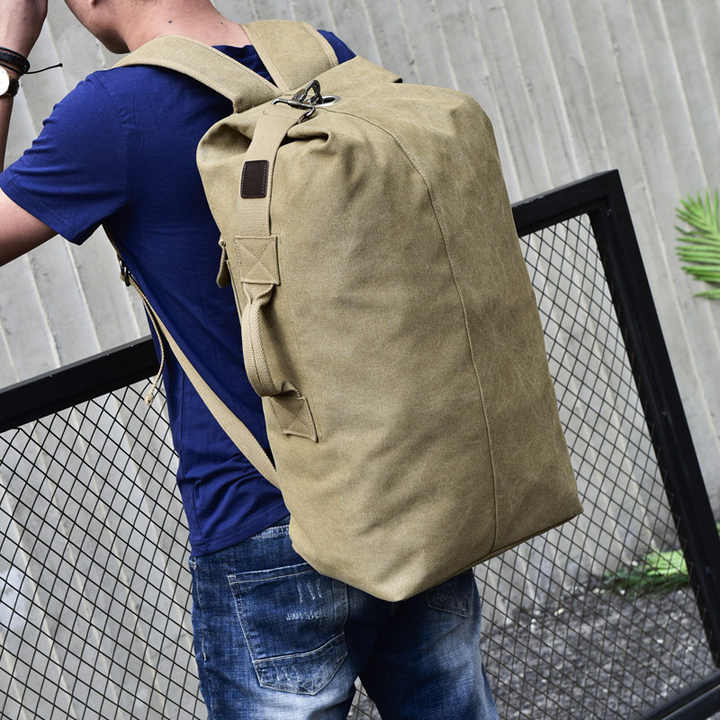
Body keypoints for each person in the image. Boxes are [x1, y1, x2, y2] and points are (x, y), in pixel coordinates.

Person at [0, 1, 500, 718]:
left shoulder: (115, 109)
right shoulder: (320, 56)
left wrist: (6, 53)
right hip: (401, 480)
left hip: (262, 516)